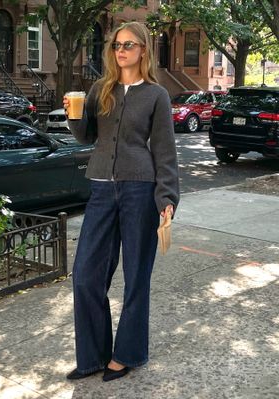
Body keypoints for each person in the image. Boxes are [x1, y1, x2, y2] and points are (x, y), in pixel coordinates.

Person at [63, 21, 179, 382]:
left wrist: (166, 197)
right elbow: (86, 137)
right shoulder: (101, 88)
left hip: (139, 190)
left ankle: (126, 354)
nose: (121, 50)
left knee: (136, 277)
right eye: (116, 45)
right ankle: (94, 356)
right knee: (85, 276)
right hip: (100, 188)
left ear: (143, 49)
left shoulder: (156, 95)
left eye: (129, 44)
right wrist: (73, 113)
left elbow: (164, 151)